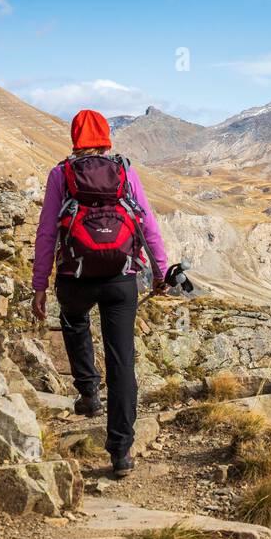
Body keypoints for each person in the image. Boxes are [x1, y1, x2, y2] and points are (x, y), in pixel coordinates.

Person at [31, 109, 168, 476]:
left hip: (74, 274)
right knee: (123, 362)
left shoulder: (61, 174)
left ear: (75, 139)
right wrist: (161, 270)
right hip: (122, 277)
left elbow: (47, 232)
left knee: (74, 319)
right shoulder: (124, 170)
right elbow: (147, 223)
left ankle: (89, 391)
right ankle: (120, 452)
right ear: (107, 139)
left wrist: (39, 284)